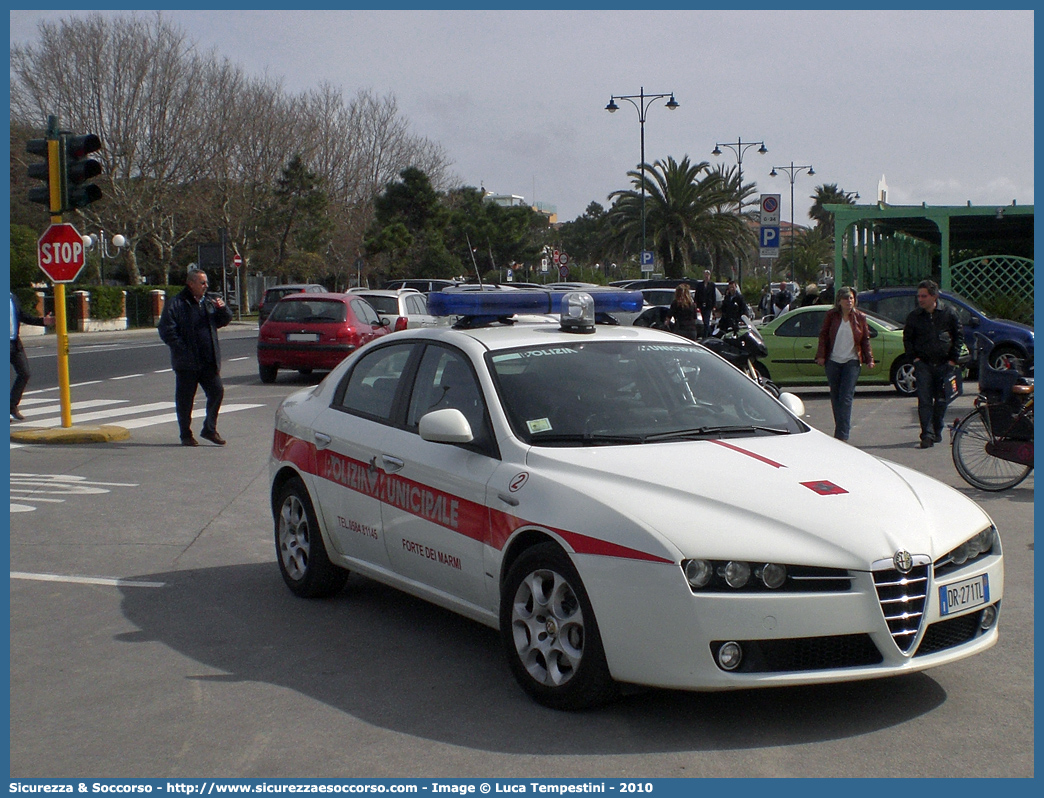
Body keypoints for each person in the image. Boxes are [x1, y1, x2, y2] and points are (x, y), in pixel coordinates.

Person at [158, 269, 232, 446]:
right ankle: (185, 434)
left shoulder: (208, 302)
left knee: (217, 392)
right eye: (202, 283)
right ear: (191, 284)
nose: (206, 286)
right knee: (185, 400)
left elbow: (223, 320)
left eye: (206, 283)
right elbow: (166, 329)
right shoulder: (176, 303)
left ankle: (209, 429)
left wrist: (223, 308)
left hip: (208, 360)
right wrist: (182, 349)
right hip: (187, 363)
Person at [903, 279, 964, 448]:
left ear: (934, 296)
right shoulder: (915, 317)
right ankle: (927, 435)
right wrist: (914, 359)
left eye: (924, 296)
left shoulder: (948, 313)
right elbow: (907, 339)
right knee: (924, 400)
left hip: (944, 364)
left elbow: (958, 336)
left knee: (942, 400)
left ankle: (937, 428)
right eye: (919, 296)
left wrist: (953, 359)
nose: (920, 299)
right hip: (924, 365)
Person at [814, 287, 875, 441]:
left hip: (851, 361)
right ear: (839, 301)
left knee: (846, 397)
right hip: (833, 361)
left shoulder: (860, 317)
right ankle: (840, 428)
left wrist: (869, 358)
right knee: (836, 396)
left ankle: (842, 435)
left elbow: (865, 339)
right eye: (846, 299)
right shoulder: (831, 316)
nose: (849, 301)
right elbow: (823, 336)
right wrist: (821, 355)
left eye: (851, 299)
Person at [10, 291, 54, 420]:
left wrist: (42, 321)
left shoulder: (12, 297)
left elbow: (23, 316)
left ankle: (12, 405)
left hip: (14, 343)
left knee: (24, 373)